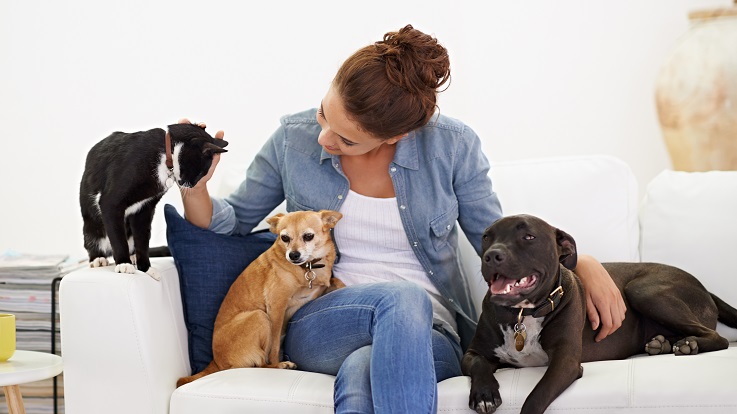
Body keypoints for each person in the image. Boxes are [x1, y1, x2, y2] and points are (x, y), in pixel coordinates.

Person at [181, 24, 626, 414]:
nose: (323, 136)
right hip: (324, 321)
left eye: (345, 138)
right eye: (323, 113)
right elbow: (234, 220)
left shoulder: (452, 147)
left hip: (431, 333)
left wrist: (578, 264)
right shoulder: (292, 140)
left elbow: (497, 242)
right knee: (402, 298)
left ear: (395, 135)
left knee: (363, 368)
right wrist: (195, 187)